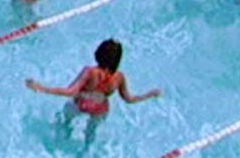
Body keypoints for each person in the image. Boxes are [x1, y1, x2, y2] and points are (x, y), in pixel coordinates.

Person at [25, 38, 161, 117]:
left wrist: (41, 87)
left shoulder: (90, 72)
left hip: (82, 104)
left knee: (65, 125)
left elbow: (70, 92)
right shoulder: (119, 77)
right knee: (90, 136)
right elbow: (129, 99)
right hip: (100, 108)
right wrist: (149, 94)